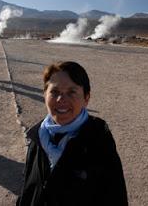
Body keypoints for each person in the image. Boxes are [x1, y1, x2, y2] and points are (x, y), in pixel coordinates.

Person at [17, 61, 128, 206]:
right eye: (54, 92)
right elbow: (28, 189)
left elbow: (115, 197)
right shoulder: (38, 136)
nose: (61, 100)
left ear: (86, 98)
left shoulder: (98, 142)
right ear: (44, 94)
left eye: (72, 92)